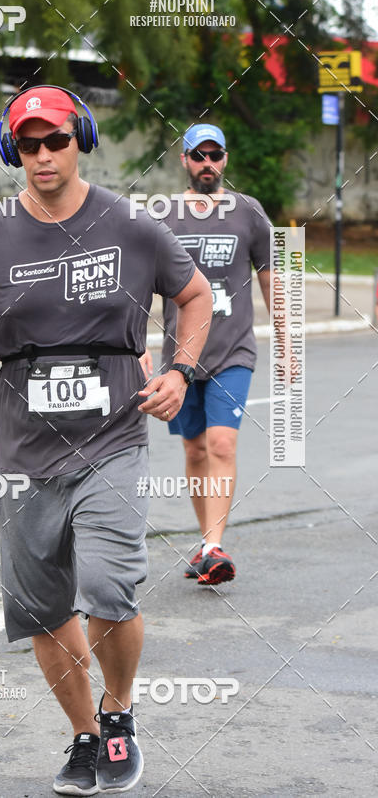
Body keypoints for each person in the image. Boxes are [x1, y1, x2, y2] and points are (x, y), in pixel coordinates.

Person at [0, 85, 212, 795]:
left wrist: (181, 370)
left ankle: (119, 711)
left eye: (58, 140)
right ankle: (83, 738)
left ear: (82, 140)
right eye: (30, 144)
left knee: (109, 584)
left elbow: (193, 296)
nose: (44, 155)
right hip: (23, 451)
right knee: (44, 610)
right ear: (15, 150)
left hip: (113, 437)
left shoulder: (130, 224)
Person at [141, 123, 273, 587]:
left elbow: (271, 275)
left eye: (215, 155)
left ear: (226, 160)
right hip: (181, 357)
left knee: (221, 444)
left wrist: (289, 338)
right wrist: (138, 345)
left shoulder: (249, 213)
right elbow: (141, 288)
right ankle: (205, 542)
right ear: (185, 161)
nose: (207, 165)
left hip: (234, 350)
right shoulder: (164, 216)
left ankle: (215, 544)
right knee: (195, 448)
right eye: (199, 156)